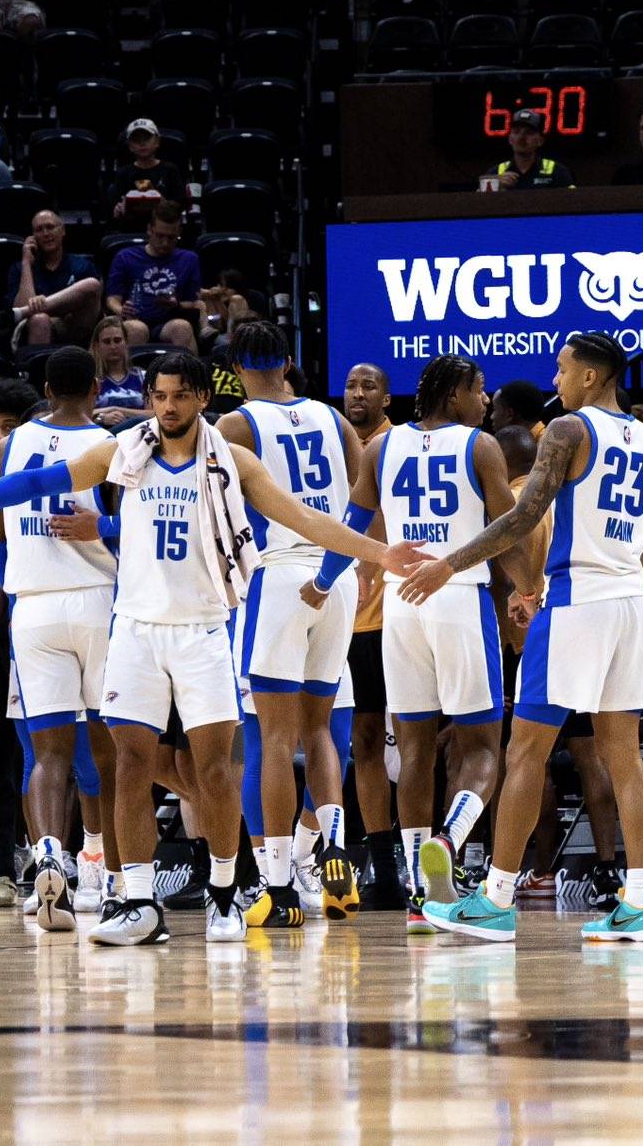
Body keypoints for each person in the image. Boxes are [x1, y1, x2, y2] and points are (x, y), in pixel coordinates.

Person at [0, 350, 420, 947]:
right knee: (133, 764)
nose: (166, 408)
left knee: (215, 770)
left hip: (203, 630)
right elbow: (39, 482)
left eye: (178, 397)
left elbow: (306, 520)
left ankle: (222, 896)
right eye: (158, 397)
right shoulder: (126, 451)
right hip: (134, 629)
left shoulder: (232, 461)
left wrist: (378, 553)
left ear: (201, 400)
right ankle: (137, 900)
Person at [403, 333, 643, 944]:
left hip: (576, 600)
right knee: (623, 755)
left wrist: (450, 562)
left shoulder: (572, 430)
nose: (555, 380)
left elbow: (523, 518)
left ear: (592, 378)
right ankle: (640, 901)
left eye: (563, 369)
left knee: (525, 752)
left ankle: (495, 899)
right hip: (629, 602)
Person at [342, 354, 519, 931]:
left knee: (413, 749)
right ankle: (451, 836)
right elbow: (509, 530)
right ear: (454, 397)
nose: (486, 400)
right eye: (479, 390)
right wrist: (531, 586)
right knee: (483, 747)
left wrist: (341, 578)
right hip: (458, 594)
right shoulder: (479, 445)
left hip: (400, 603)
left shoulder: (379, 449)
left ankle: (422, 891)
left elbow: (353, 524)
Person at [0, 347, 116, 927]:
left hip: (33, 609)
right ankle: (101, 869)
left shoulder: (7, 447)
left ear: (45, 387)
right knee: (106, 750)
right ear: (97, 389)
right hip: (99, 600)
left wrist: (20, 569)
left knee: (45, 755)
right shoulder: (111, 446)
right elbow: (130, 535)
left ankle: (49, 855)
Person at [215, 323, 365, 928]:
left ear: (234, 368)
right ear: (288, 360)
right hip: (337, 574)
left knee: (269, 739)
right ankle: (331, 851)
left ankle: (276, 884)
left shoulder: (236, 425)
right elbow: (364, 495)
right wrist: (339, 563)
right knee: (321, 729)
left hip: (275, 577)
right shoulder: (334, 419)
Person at [338, 360, 402, 901]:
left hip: (392, 616)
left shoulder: (394, 448)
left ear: (387, 398)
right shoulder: (331, 445)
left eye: (369, 386)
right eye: (352, 385)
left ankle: (426, 854)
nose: (358, 393)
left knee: (411, 742)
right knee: (359, 744)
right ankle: (379, 864)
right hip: (339, 619)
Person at [105, 201, 202, 351]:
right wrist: (121, 310)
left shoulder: (189, 259)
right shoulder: (126, 256)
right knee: (136, 329)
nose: (165, 243)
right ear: (150, 229)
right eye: (160, 236)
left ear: (179, 232)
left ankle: (190, 373)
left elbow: (193, 302)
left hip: (168, 321)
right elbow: (112, 299)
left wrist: (176, 304)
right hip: (134, 319)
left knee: (182, 327)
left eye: (171, 237)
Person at [1, 209, 100, 346]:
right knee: (40, 319)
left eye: (50, 227)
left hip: (75, 326)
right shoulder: (19, 268)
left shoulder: (82, 265)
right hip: (37, 326)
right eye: (39, 230)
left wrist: (42, 303)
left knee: (92, 284)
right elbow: (19, 311)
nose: (46, 234)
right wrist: (26, 263)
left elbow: (92, 306)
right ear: (33, 237)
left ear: (63, 231)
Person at [107, 118, 186, 231]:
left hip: (163, 228)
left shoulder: (170, 170)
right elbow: (115, 211)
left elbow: (180, 205)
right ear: (130, 146)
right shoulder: (123, 173)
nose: (142, 143)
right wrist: (118, 209)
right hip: (131, 228)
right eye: (136, 139)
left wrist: (163, 202)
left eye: (147, 138)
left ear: (157, 141)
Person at [91, 315, 148, 427]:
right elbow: (81, 414)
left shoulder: (143, 376)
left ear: (126, 342)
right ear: (97, 346)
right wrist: (102, 418)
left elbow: (154, 414)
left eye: (117, 340)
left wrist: (115, 409)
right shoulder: (91, 379)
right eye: (107, 342)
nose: (113, 346)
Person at [493, 108, 572, 189]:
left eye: (529, 132)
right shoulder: (496, 173)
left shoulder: (558, 172)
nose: (521, 137)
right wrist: (495, 185)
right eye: (516, 132)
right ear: (510, 139)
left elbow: (574, 199)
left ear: (540, 141)